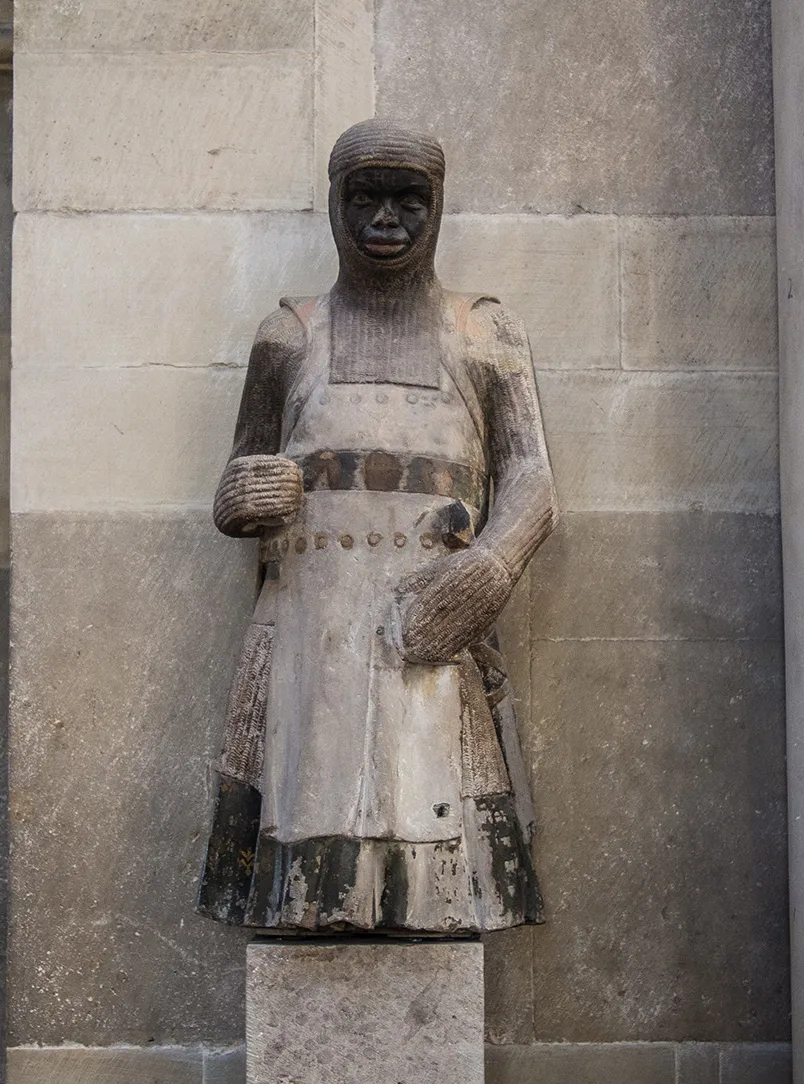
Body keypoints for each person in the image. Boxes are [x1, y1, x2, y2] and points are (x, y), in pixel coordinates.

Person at [196, 119, 556, 933]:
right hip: (310, 630)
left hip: (429, 617)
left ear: (439, 207)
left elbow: (531, 476)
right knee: (312, 795)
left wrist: (492, 567)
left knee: (429, 803)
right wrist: (241, 496)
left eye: (408, 202)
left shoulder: (485, 332)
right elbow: (240, 472)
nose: (384, 222)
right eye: (364, 200)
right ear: (335, 206)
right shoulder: (287, 336)